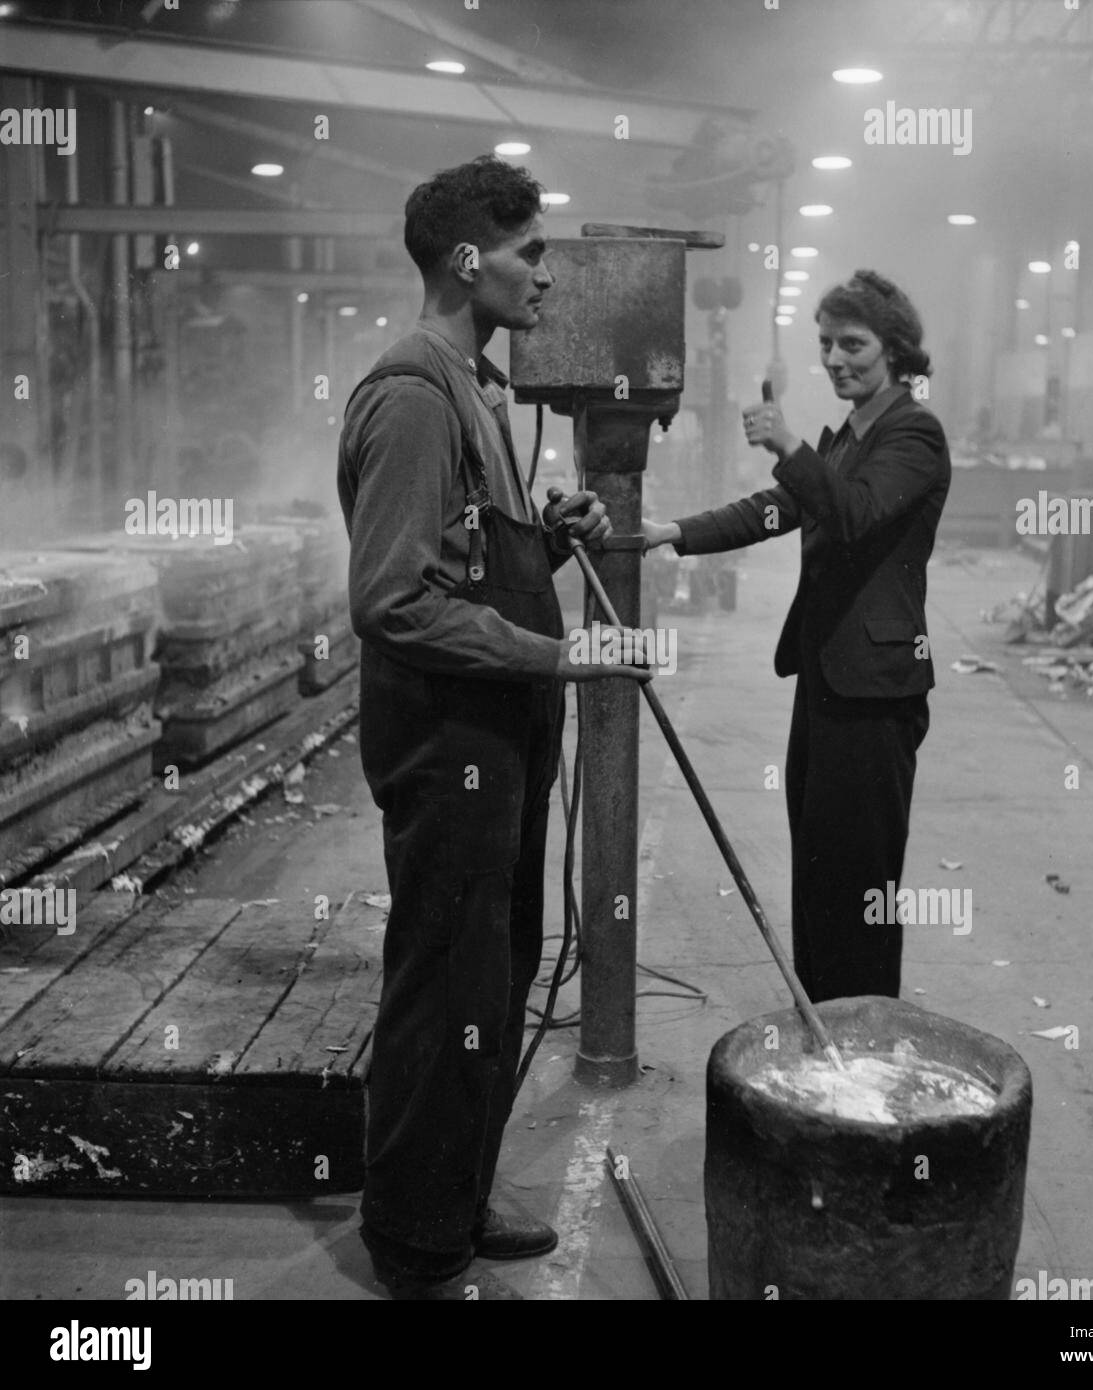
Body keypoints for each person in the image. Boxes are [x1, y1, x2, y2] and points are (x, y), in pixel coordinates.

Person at [337, 155, 648, 1301]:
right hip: (447, 741)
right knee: (446, 979)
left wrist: (543, 532)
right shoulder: (415, 394)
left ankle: (455, 1196)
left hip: (496, 733)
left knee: (495, 969)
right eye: (531, 255)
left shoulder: (475, 385)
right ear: (470, 259)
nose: (547, 280)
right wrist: (556, 650)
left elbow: (464, 553)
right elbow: (392, 597)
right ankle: (414, 1235)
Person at [643, 268, 950, 1003]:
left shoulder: (913, 432)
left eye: (854, 344)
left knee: (859, 881)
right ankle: (823, 1027)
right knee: (818, 865)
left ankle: (865, 1033)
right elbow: (774, 511)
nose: (836, 358)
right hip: (825, 680)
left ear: (895, 349)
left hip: (874, 692)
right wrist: (670, 533)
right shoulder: (847, 437)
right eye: (826, 344)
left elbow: (850, 514)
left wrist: (787, 445)